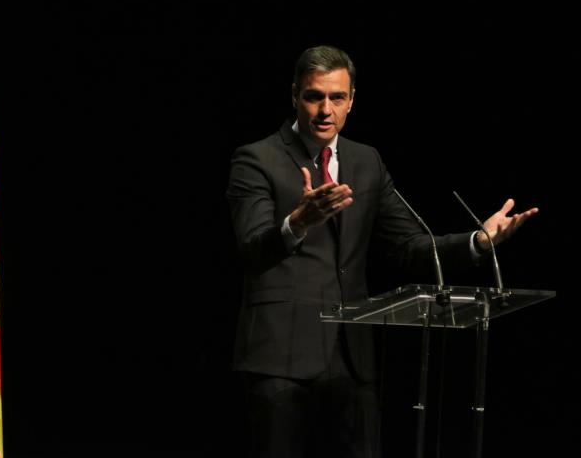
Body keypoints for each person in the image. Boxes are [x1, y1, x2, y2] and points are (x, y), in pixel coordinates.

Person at [225, 45, 538, 458]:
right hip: (281, 355)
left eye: (337, 98)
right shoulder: (257, 159)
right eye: (314, 96)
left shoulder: (366, 161)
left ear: (352, 100)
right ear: (295, 96)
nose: (325, 110)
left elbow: (409, 245)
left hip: (353, 359)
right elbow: (252, 248)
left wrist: (477, 241)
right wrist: (297, 222)